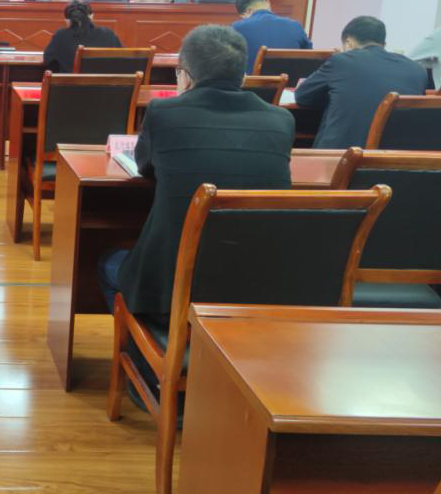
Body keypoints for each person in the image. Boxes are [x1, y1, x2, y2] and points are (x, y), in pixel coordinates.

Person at [98, 24, 294, 317]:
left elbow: (144, 166)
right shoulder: (282, 121)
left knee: (108, 262)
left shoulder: (163, 113)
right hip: (255, 292)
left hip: (173, 295)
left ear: (185, 76)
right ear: (243, 77)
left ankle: (144, 344)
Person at [294, 15, 428, 150]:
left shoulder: (342, 61)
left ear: (349, 42)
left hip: (341, 155)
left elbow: (303, 97)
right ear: (384, 44)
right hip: (395, 156)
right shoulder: (417, 69)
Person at [232, 0, 312, 74]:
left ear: (248, 11)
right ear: (268, 3)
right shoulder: (296, 26)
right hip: (289, 81)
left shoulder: (238, 28)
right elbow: (310, 57)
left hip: (254, 82)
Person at [43, 0, 123, 73]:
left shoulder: (60, 36)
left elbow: (48, 61)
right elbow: (121, 60)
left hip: (69, 83)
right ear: (91, 16)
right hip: (104, 83)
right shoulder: (108, 34)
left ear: (67, 20)